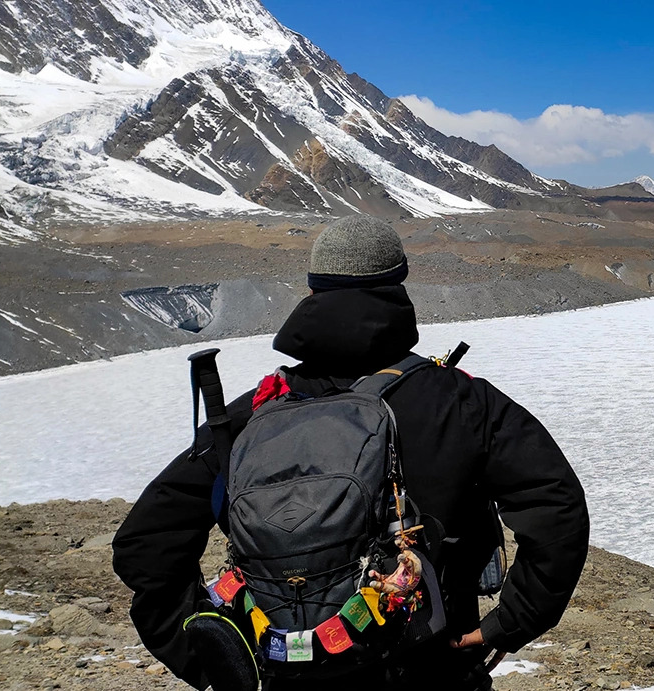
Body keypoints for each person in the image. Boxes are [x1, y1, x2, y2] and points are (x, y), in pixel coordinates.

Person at [112, 216, 590, 690]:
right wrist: (510, 623)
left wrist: (215, 662)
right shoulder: (461, 402)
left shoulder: (253, 413)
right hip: (434, 672)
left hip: (287, 680)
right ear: (397, 289)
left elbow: (146, 542)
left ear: (312, 292)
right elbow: (557, 506)